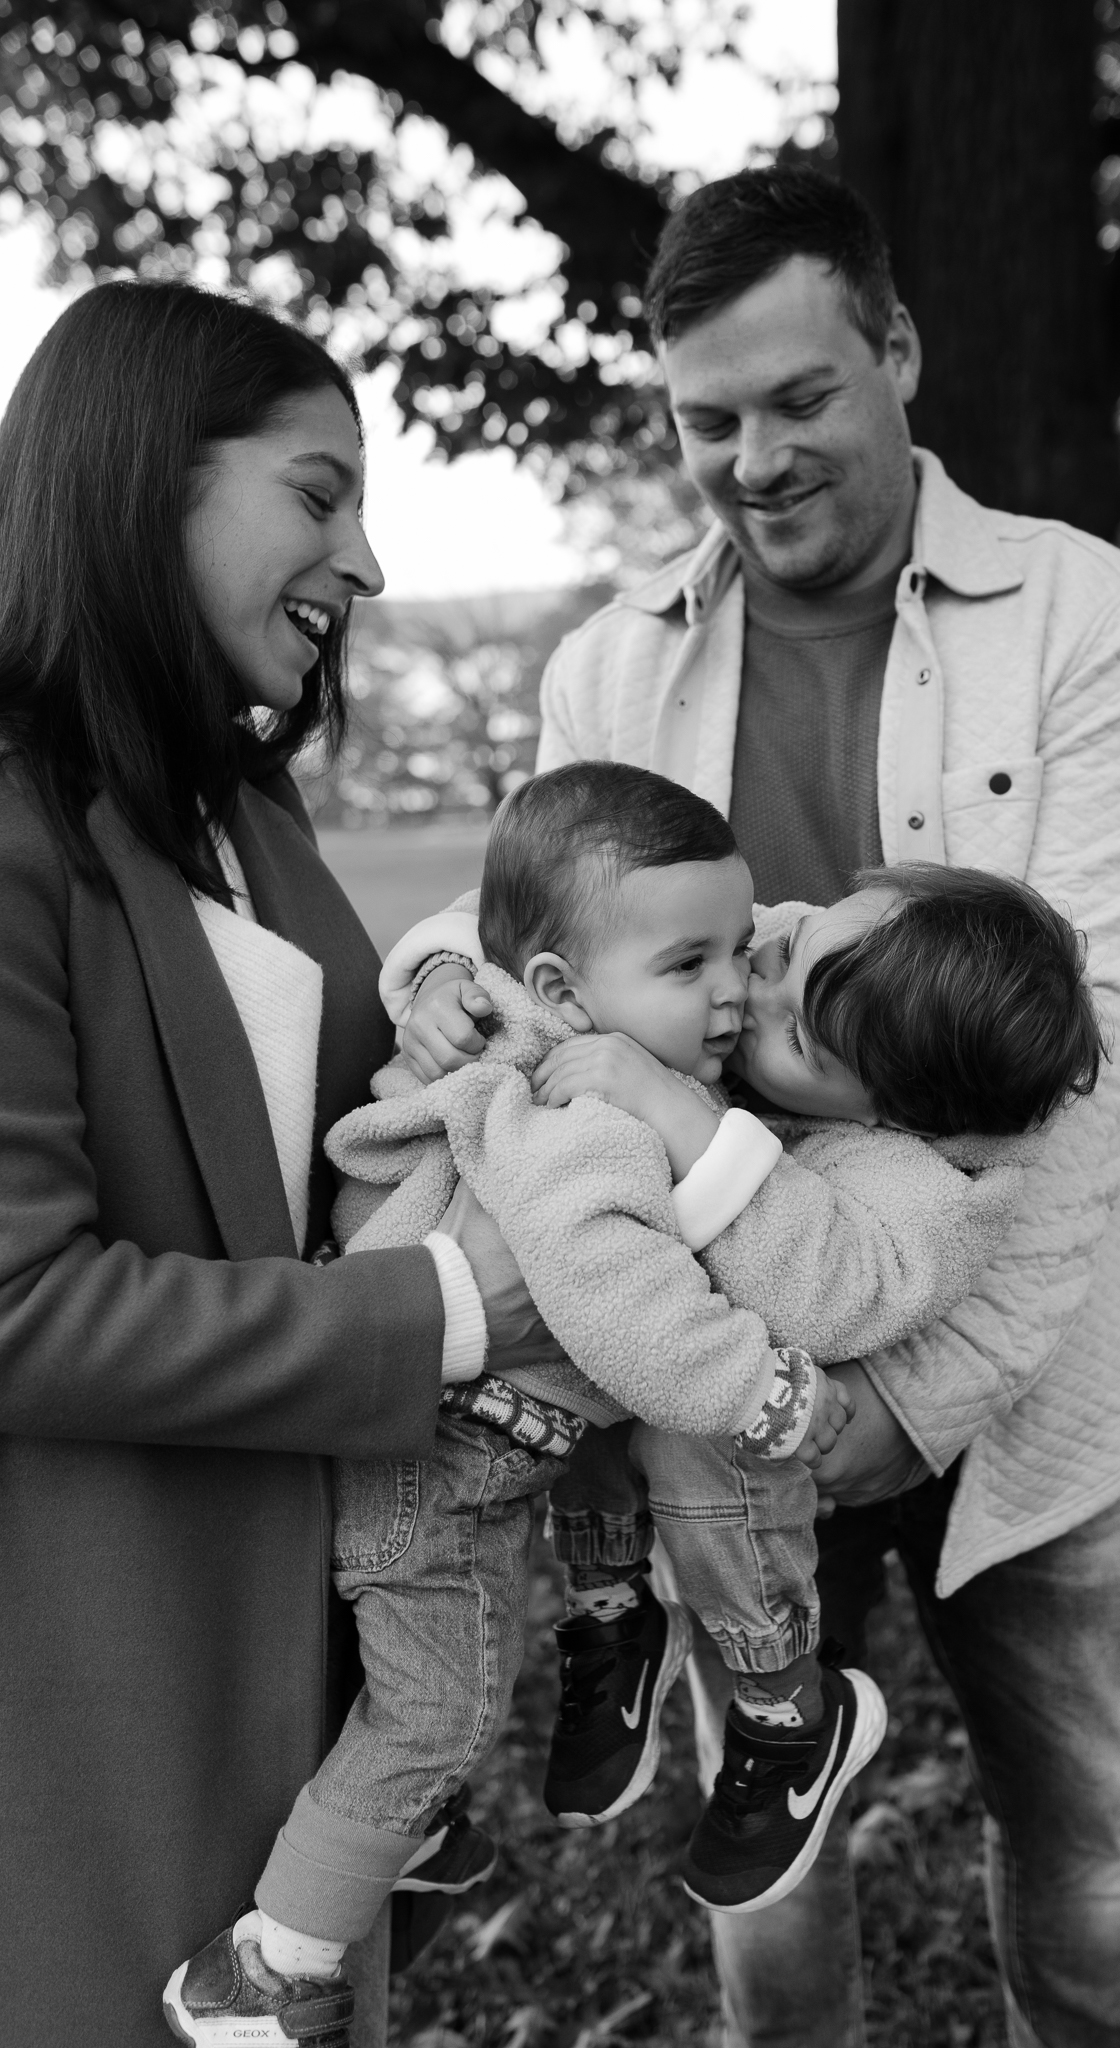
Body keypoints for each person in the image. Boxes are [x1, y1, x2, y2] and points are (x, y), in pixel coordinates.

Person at [508, 164, 1120, 2047]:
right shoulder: (604, 669)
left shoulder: (1086, 615)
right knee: (772, 1832)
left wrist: (903, 1401)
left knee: (1076, 1833)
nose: (755, 456)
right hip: (728, 1364)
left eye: (802, 395)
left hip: (1021, 1365)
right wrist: (749, 1396)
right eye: (707, 418)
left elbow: (1096, 1056)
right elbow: (545, 994)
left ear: (895, 352)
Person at [0, 281, 517, 2048]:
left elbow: (346, 1118)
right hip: (100, 1661)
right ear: (148, 482)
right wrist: (443, 1312)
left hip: (309, 1622)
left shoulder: (244, 805)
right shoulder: (7, 823)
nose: (364, 562)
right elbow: (17, 1305)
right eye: (319, 491)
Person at [364, 760, 1100, 1928]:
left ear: (891, 1112)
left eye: (794, 1034)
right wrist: (447, 968)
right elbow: (570, 909)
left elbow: (838, 1289)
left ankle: (786, 1714)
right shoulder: (802, 956)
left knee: (703, 1442)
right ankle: (615, 1610)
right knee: (603, 1366)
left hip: (764, 1410)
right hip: (628, 1341)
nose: (742, 1000)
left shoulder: (926, 1186)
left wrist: (686, 1117)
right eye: (768, 957)